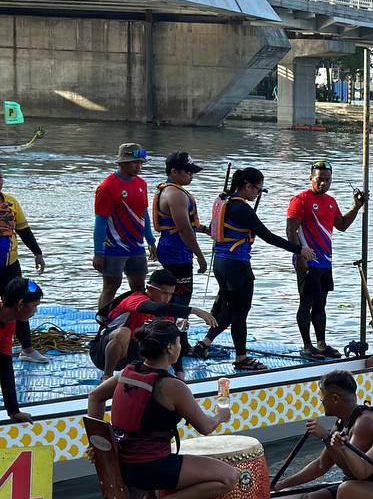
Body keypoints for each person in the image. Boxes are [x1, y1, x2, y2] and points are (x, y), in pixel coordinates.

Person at [86, 320, 236, 499]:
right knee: (228, 477)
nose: (181, 346)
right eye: (179, 342)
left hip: (124, 462)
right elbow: (205, 427)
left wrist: (99, 442)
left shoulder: (126, 372)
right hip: (150, 466)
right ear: (170, 348)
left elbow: (95, 397)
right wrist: (221, 415)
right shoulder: (173, 386)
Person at [189, 168, 314, 371]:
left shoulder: (224, 201)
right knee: (240, 313)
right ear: (247, 186)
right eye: (258, 189)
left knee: (232, 307)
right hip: (236, 265)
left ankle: (204, 343)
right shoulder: (241, 208)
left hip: (221, 263)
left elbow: (213, 227)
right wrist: (300, 249)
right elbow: (269, 236)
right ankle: (241, 358)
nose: (257, 194)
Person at [274, 370, 373, 499]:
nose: (321, 401)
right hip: (353, 484)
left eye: (322, 397)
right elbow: (321, 465)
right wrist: (281, 485)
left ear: (335, 398)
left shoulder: (365, 423)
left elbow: (354, 471)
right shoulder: (342, 422)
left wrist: (326, 438)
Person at [285, 161, 365, 359]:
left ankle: (321, 344)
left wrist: (356, 207)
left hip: (325, 261)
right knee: (306, 303)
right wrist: (299, 253)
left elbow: (342, 225)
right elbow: (290, 230)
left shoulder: (331, 201)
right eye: (319, 179)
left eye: (327, 180)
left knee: (321, 304)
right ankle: (307, 346)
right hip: (307, 260)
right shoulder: (301, 199)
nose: (323, 183)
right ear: (311, 178)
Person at [90, 269, 217, 379]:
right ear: (150, 289)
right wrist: (193, 310)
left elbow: (172, 342)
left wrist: (180, 375)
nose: (167, 298)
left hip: (134, 354)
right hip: (103, 353)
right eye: (164, 293)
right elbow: (154, 308)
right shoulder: (135, 298)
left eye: (171, 294)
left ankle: (149, 376)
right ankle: (107, 376)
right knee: (124, 332)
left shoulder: (166, 313)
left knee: (167, 339)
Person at [94, 143, 155, 318]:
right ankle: (104, 321)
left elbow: (144, 214)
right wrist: (98, 252)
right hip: (114, 247)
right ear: (122, 163)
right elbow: (100, 222)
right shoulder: (107, 187)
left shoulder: (142, 184)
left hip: (136, 246)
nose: (138, 166)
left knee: (139, 287)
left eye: (140, 162)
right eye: (134, 162)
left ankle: (139, 321)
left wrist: (150, 241)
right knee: (111, 286)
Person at [152, 151, 208, 318]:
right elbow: (184, 229)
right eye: (188, 171)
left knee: (169, 296)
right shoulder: (176, 194)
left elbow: (184, 225)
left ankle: (167, 332)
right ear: (174, 171)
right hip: (176, 252)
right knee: (181, 298)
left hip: (170, 247)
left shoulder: (171, 191)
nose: (191, 175)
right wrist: (200, 255)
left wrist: (205, 229)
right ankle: (175, 337)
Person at [0, 171, 48, 362]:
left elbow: (23, 230)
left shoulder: (11, 202)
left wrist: (37, 253)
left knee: (21, 303)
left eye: (1, 177)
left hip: (10, 265)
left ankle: (27, 349)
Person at [0, 277, 43, 421]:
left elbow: (5, 364)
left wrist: (13, 410)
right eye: (34, 305)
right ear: (20, 304)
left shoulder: (9, 323)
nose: (35, 311)